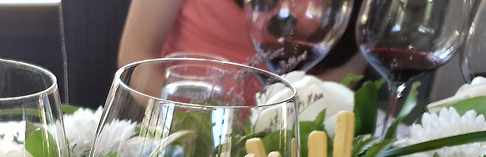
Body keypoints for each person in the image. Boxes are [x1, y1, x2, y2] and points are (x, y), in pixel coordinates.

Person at [118, 0, 367, 94]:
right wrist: (189, 123)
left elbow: (335, 86)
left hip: (279, 143)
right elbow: (135, 55)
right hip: (179, 132)